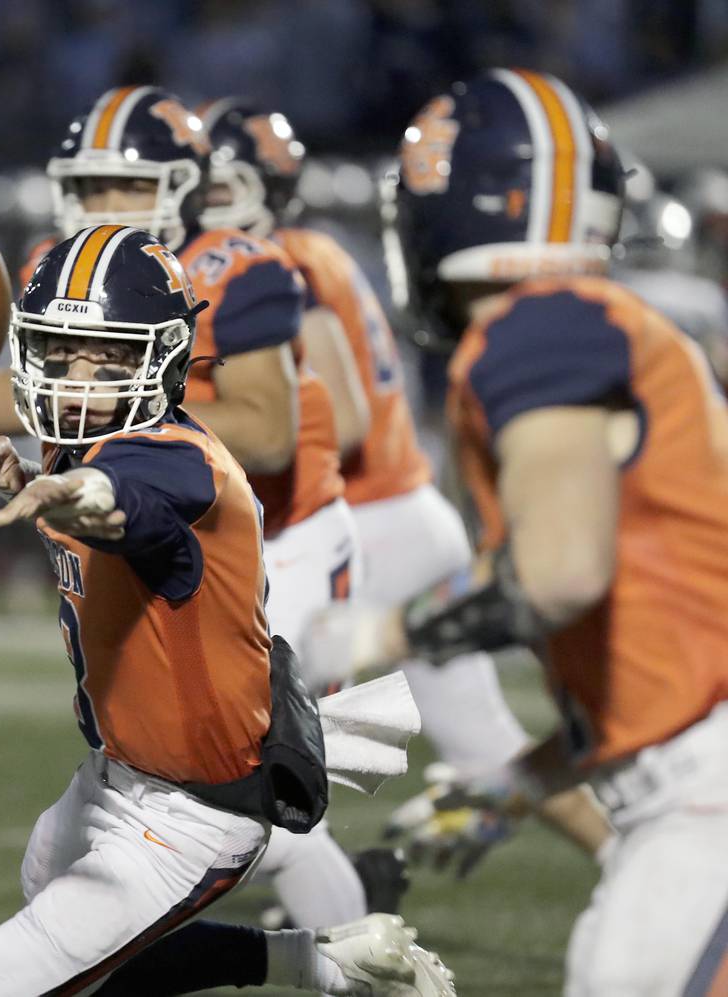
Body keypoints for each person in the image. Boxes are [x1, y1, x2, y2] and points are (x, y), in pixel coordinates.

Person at [0, 223, 452, 997]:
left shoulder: (176, 460)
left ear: (162, 359)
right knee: (62, 915)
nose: (78, 381)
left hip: (190, 811)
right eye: (61, 355)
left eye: (109, 359)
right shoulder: (90, 445)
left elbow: (127, 499)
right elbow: (98, 474)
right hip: (118, 773)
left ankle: (330, 966)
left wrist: (76, 495)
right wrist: (25, 474)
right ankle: (327, 962)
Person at [305, 68, 728, 995]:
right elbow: (648, 648)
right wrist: (523, 780)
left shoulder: (539, 326)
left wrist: (380, 634)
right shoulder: (574, 323)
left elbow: (560, 574)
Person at [0, 85, 373, 929]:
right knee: (137, 802)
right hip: (151, 542)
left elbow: (264, 430)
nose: (106, 206)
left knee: (249, 792)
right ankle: (324, 954)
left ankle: (346, 953)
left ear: (187, 185)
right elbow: (34, 402)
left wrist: (119, 427)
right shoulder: (69, 269)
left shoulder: (239, 263)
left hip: (271, 539)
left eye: (128, 185)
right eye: (91, 185)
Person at [199, 96, 614, 873]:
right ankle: (615, 851)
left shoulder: (278, 264)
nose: (203, 205)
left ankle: (324, 894)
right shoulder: (301, 253)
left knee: (259, 736)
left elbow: (345, 415)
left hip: (368, 518)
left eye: (219, 189)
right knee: (472, 737)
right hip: (402, 512)